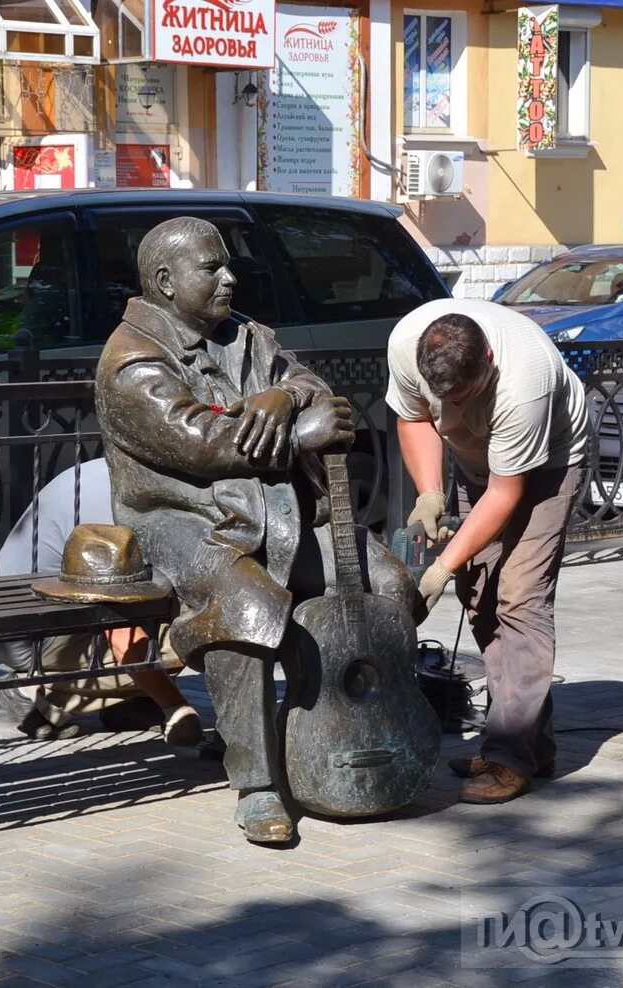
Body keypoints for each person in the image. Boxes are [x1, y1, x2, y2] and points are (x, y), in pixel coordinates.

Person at [96, 216, 421, 845]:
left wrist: (285, 399)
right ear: (165, 282)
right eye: (211, 268)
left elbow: (318, 390)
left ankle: (330, 726)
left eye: (227, 265)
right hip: (183, 523)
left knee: (389, 582)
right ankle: (256, 782)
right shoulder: (132, 360)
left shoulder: (247, 337)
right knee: (249, 607)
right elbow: (204, 445)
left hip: (276, 513)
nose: (229, 277)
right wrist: (302, 431)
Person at [386, 299, 589, 805]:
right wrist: (430, 492)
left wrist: (439, 568)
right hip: (479, 464)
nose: (451, 409)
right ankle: (524, 745)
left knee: (520, 598)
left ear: (489, 362)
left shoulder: (525, 383)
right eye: (444, 398)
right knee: (480, 596)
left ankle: (508, 758)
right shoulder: (406, 344)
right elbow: (413, 418)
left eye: (465, 396)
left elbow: (506, 492)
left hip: (546, 467)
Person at [0, 457, 201, 745]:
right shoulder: (117, 507)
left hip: (30, 614)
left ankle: (131, 702)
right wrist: (177, 709)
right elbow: (118, 625)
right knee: (189, 631)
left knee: (165, 606)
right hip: (34, 634)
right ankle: (39, 693)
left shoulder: (118, 471)